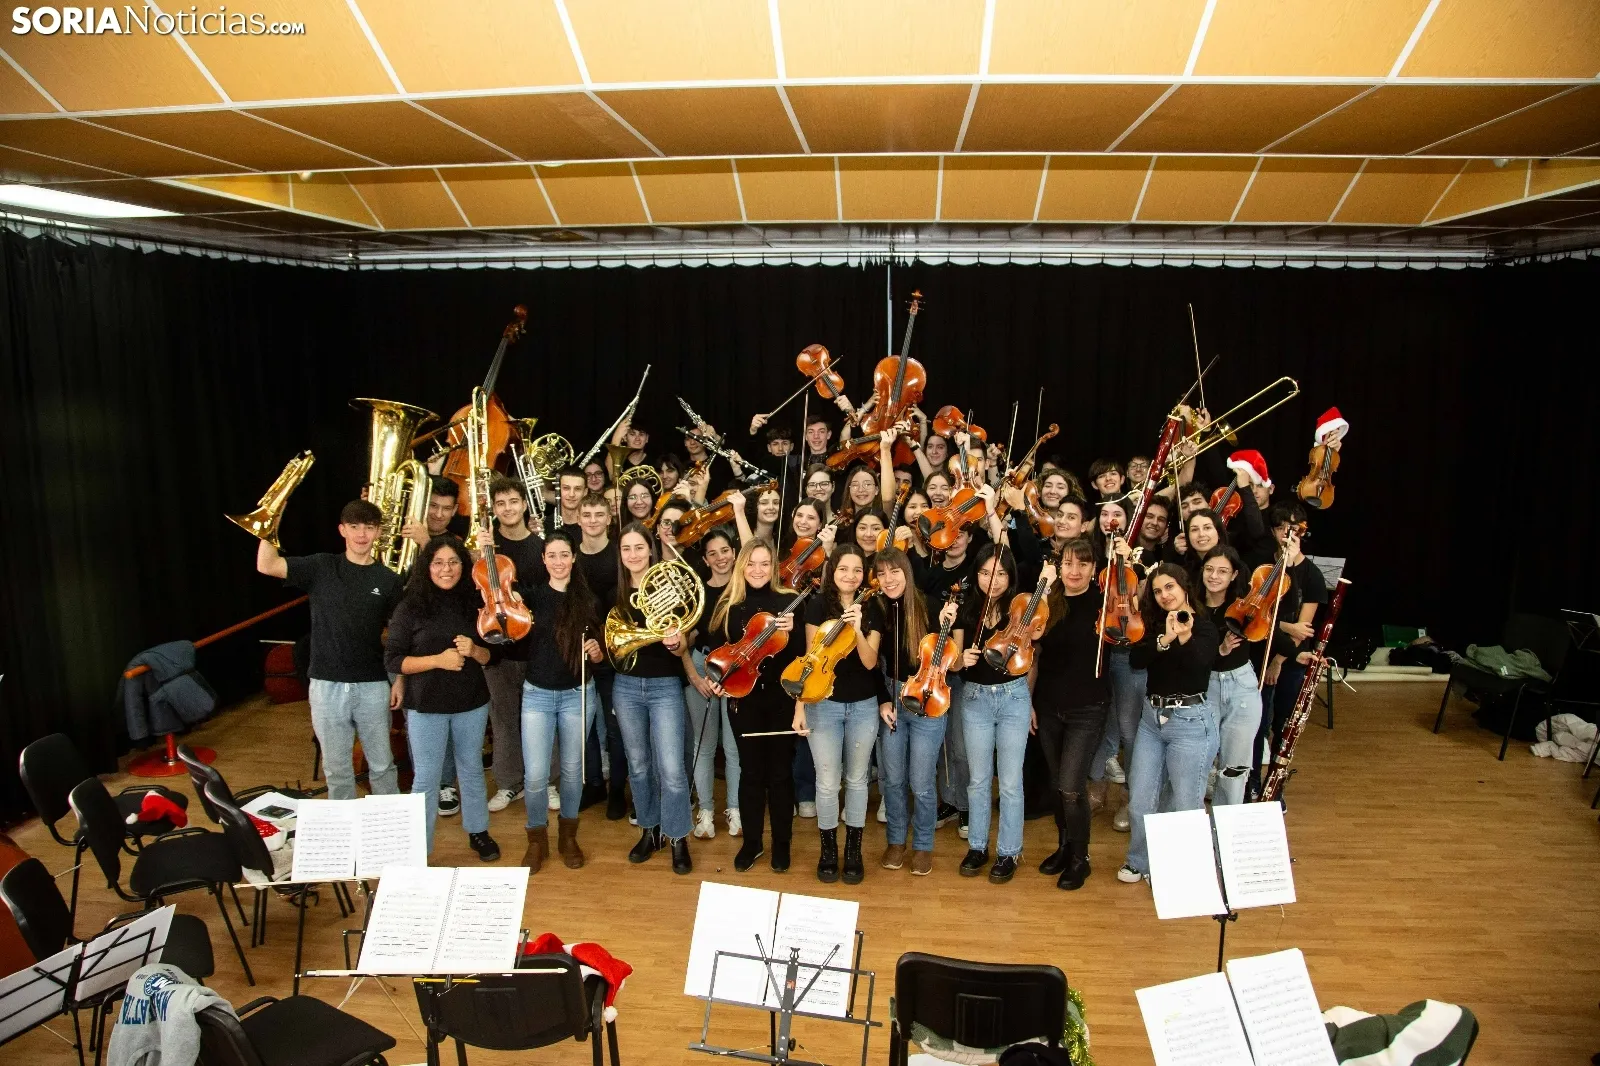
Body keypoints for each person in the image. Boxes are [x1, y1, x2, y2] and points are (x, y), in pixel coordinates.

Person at [258, 500, 401, 801]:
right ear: (342, 530)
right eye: (354, 526)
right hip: (326, 685)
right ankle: (344, 827)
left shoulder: (388, 580)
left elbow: (400, 635)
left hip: (373, 685)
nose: (361, 534)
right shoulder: (321, 567)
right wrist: (269, 522)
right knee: (336, 770)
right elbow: (267, 565)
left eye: (369, 527)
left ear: (378, 532)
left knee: (382, 766)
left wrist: (399, 679)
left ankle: (388, 828)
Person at [384, 535, 501, 860]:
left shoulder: (476, 603)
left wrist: (475, 650)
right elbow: (393, 659)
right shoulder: (410, 606)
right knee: (427, 777)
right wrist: (438, 660)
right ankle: (419, 848)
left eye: (453, 562)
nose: (446, 569)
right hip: (426, 705)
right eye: (438, 563)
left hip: (470, 702)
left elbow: (493, 656)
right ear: (427, 566)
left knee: (471, 769)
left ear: (463, 566)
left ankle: (478, 832)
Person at [1118, 563, 1219, 884]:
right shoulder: (1153, 625)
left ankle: (1177, 869)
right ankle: (1139, 860)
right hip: (1152, 720)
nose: (1164, 595)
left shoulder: (1205, 627)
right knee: (1140, 800)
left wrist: (1184, 635)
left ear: (1185, 586)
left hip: (1191, 723)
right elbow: (1136, 660)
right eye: (1158, 591)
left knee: (1185, 803)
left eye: (1170, 587)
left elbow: (1200, 664)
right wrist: (1165, 639)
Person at [706, 539, 800, 872]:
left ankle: (782, 845)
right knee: (750, 773)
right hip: (743, 701)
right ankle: (752, 843)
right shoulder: (729, 605)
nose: (757, 570)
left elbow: (801, 657)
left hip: (781, 700)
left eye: (764, 563)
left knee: (780, 774)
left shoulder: (789, 602)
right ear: (741, 566)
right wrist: (717, 680)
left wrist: (793, 632)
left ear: (773, 567)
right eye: (751, 563)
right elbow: (719, 654)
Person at [793, 543, 884, 885]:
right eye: (843, 568)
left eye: (857, 570)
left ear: (864, 575)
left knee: (857, 780)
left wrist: (857, 628)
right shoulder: (818, 605)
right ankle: (829, 850)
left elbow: (870, 662)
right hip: (824, 703)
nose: (850, 575)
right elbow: (809, 659)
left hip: (863, 704)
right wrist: (799, 706)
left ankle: (854, 851)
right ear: (833, 572)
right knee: (828, 782)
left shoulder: (873, 607)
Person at [609, 522, 694, 873]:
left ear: (651, 550)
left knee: (672, 769)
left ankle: (677, 836)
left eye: (639, 547)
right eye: (626, 548)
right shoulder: (614, 593)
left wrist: (677, 642)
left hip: (664, 686)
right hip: (626, 686)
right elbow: (613, 644)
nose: (633, 555)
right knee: (639, 766)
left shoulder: (671, 586)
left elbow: (684, 642)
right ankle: (650, 829)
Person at [518, 529, 605, 872]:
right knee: (536, 775)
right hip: (537, 695)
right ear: (543, 559)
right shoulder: (531, 598)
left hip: (577, 695)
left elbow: (600, 653)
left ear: (573, 558)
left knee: (571, 772)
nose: (558, 562)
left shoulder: (589, 600)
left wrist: (596, 651)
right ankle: (536, 840)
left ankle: (568, 836)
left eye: (564, 555)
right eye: (551, 555)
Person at [953, 543, 1030, 883]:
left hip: (1013, 696)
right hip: (975, 699)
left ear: (1010, 576)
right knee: (979, 779)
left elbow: (1031, 654)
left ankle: (1009, 851)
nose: (992, 580)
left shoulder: (1020, 609)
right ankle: (978, 846)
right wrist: (962, 660)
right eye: (985, 573)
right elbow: (954, 661)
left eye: (1000, 573)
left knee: (1010, 782)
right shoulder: (966, 609)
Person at [1030, 539, 1105, 889]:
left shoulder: (1104, 603)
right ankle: (1064, 846)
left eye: (1083, 564)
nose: (1075, 571)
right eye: (1069, 564)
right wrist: (1029, 702)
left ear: (1094, 569)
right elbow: (1033, 648)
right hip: (1048, 706)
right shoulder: (1050, 600)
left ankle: (1080, 858)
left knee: (1071, 787)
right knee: (1057, 785)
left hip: (1087, 708)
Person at [875, 548, 953, 876]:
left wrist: (949, 625)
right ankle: (896, 841)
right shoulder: (877, 608)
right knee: (893, 779)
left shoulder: (931, 606)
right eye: (881, 574)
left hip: (927, 697)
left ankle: (922, 844)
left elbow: (949, 659)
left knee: (921, 781)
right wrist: (883, 699)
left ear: (906, 571)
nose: (888, 579)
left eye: (894, 571)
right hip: (892, 696)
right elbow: (871, 664)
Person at [484, 475, 548, 815]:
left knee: (542, 720)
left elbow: (551, 595)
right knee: (505, 719)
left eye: (513, 502)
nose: (507, 508)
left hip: (536, 648)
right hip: (499, 647)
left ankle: (547, 782)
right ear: (494, 510)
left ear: (524, 504)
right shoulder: (487, 549)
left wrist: (525, 599)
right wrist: (480, 552)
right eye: (500, 504)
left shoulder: (540, 548)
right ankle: (509, 783)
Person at [1254, 505, 1326, 798]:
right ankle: (1252, 783)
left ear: (1302, 531)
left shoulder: (1312, 574)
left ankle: (1275, 786)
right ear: (1273, 532)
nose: (1287, 533)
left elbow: (1303, 630)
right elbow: (1255, 614)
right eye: (1282, 527)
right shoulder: (1262, 567)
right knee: (1257, 725)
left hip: (1292, 660)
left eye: (1294, 528)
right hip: (1259, 652)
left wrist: (1279, 661)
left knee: (1283, 724)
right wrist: (1285, 625)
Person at [683, 528, 742, 840]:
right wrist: (695, 678)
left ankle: (735, 808)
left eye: (725, 551)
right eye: (713, 553)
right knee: (703, 744)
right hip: (702, 667)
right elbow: (684, 643)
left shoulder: (745, 588)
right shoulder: (698, 594)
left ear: (734, 553)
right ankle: (705, 810)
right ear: (705, 560)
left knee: (734, 746)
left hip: (737, 671)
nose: (720, 558)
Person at [1198, 545, 1261, 807]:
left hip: (1241, 686)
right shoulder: (1191, 608)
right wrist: (1220, 650)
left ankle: (1224, 827)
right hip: (1205, 687)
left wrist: (1296, 654)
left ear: (1234, 575)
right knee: (1197, 763)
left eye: (1223, 571)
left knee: (1234, 770)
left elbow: (1272, 623)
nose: (1214, 576)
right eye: (1209, 569)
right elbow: (1189, 658)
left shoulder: (1243, 607)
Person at [575, 492, 625, 818]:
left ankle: (617, 789)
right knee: (585, 726)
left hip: (612, 655)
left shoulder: (620, 555)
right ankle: (594, 783)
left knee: (614, 727)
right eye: (587, 514)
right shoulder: (571, 557)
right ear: (578, 519)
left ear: (609, 518)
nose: (593, 520)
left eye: (598, 514)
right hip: (577, 653)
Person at [403, 475, 465, 548]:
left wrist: (425, 541)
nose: (438, 515)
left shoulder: (456, 544)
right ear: (422, 503)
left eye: (447, 508)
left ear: (454, 510)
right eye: (433, 505)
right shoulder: (400, 531)